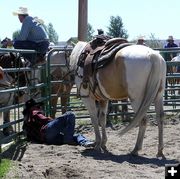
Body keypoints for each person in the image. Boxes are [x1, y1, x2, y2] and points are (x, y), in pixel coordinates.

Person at [22, 99, 94, 147]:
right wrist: (53, 120)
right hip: (47, 131)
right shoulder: (34, 111)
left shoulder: (27, 120)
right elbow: (44, 120)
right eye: (39, 106)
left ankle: (84, 142)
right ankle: (69, 139)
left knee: (77, 135)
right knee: (70, 114)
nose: (40, 108)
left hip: (47, 139)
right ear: (35, 106)